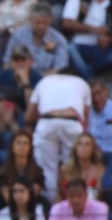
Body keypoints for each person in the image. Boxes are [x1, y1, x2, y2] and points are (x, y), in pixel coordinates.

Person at [26, 71, 92, 200]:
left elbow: (28, 116)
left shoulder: (44, 81)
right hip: (72, 122)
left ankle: (51, 207)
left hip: (47, 121)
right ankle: (71, 204)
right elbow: (86, 117)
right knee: (72, 167)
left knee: (47, 170)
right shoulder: (82, 83)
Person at [2, 1, 70, 76]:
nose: (41, 26)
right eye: (37, 22)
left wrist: (37, 78)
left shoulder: (59, 40)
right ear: (30, 20)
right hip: (18, 77)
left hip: (46, 80)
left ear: (50, 21)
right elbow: (7, 63)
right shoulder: (19, 35)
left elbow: (60, 69)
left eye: (45, 23)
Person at [0, 43, 42, 113]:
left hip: (26, 117)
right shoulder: (0, 77)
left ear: (31, 61)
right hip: (2, 115)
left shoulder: (38, 79)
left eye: (23, 59)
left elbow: (33, 109)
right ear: (11, 62)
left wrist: (26, 83)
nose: (19, 63)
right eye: (16, 59)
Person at [44, 177, 109, 220]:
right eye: (71, 196)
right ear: (67, 197)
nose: (76, 200)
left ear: (86, 195)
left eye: (79, 196)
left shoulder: (100, 208)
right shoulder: (57, 208)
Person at [0, 128, 46, 205]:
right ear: (12, 146)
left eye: (25, 143)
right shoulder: (3, 171)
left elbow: (34, 196)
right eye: (18, 143)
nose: (22, 146)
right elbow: (7, 198)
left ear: (30, 147)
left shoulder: (37, 171)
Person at [58, 132, 107, 200]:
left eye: (87, 144)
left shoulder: (100, 170)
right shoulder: (65, 169)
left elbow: (100, 197)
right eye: (80, 144)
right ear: (75, 148)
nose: (83, 147)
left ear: (93, 149)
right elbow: (59, 194)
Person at [0, 90, 26, 165]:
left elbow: (25, 141)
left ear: (11, 104)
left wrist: (12, 124)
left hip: (13, 162)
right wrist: (0, 127)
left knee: (9, 136)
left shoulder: (21, 118)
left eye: (0, 100)